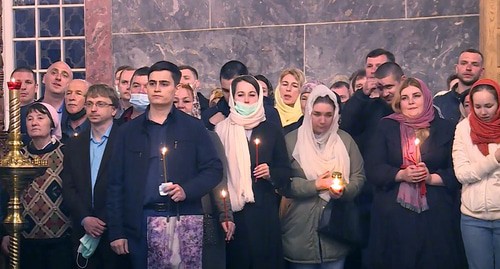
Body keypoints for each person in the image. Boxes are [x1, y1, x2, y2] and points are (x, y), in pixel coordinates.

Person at [107, 61, 222, 269]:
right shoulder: (127, 132)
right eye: (152, 83)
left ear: (176, 88)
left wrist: (187, 189)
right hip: (141, 221)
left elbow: (214, 170)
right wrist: (117, 231)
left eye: (163, 83)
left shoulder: (193, 128)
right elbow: (115, 183)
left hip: (183, 218)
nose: (157, 88)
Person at [365, 78, 465, 269]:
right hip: (394, 217)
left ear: (426, 98)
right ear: (398, 102)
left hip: (436, 216)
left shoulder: (446, 129)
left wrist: (430, 178)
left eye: (416, 96)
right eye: (405, 98)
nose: (410, 101)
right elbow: (374, 168)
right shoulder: (386, 127)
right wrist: (401, 175)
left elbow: (457, 171)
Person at [281, 85, 365, 268]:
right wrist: (315, 185)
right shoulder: (291, 141)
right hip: (300, 229)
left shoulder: (345, 141)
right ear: (309, 112)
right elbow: (282, 182)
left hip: (336, 230)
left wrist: (344, 190)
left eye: (328, 115)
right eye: (317, 114)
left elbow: (358, 177)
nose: (322, 120)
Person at [214, 75, 291, 269]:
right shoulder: (221, 130)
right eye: (241, 95)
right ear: (232, 98)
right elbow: (216, 172)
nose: (247, 100)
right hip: (232, 211)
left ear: (259, 98)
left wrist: (270, 172)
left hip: (263, 208)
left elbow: (285, 171)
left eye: (252, 95)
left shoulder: (271, 130)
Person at [62, 84, 128, 269]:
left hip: (117, 228)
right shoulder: (74, 144)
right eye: (89, 103)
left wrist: (103, 219)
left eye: (100, 104)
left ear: (114, 109)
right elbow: (68, 186)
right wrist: (85, 218)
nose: (93, 109)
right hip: (83, 228)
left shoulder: (125, 140)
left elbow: (129, 185)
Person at [174, 83, 235, 269]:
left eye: (186, 101)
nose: (180, 105)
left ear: (194, 103)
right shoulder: (157, 137)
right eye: (175, 101)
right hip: (170, 218)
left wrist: (226, 214)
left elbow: (219, 180)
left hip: (204, 214)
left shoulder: (208, 137)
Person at [7, 102, 72, 269]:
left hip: (61, 239)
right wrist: (6, 233)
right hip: (26, 238)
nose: (34, 122)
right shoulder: (17, 156)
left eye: (40, 118)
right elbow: (7, 194)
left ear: (52, 123)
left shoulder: (67, 152)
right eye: (29, 118)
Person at [452, 78, 500, 269]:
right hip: (473, 218)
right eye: (477, 106)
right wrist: (495, 159)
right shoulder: (463, 128)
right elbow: (462, 174)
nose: (483, 112)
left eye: (489, 106)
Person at [201, 60, 281, 130]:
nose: (230, 96)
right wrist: (211, 127)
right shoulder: (210, 116)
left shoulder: (268, 114)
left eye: (234, 90)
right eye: (226, 91)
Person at [434, 49, 484, 125]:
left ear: (482, 71)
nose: (468, 68)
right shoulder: (439, 102)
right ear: (457, 68)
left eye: (474, 64)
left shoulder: (489, 102)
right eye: (464, 63)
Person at [10, 67, 38, 145]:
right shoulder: (3, 112)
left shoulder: (42, 113)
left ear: (36, 88)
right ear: (10, 86)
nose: (23, 87)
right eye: (17, 82)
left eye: (28, 82)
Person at [274, 68, 306, 134]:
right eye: (285, 84)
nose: (288, 89)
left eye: (294, 86)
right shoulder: (269, 116)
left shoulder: (305, 119)